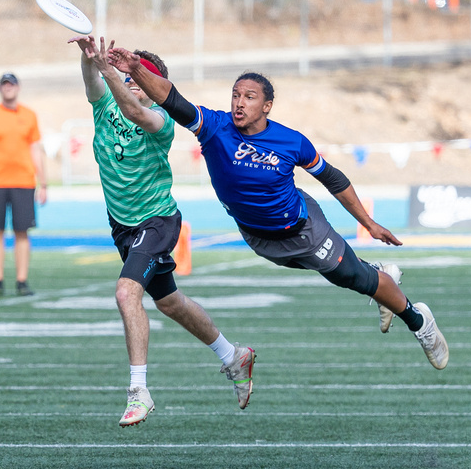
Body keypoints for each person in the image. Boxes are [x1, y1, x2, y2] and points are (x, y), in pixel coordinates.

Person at [109, 48, 449, 370]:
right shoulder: (213, 127)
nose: (239, 103)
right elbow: (172, 97)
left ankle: (420, 322)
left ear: (267, 105)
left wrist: (368, 223)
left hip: (304, 231)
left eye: (249, 97)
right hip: (259, 238)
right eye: (235, 95)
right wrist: (136, 69)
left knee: (354, 279)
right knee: (353, 275)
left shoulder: (291, 141)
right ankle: (379, 275)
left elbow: (333, 179)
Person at [68, 35, 255, 427]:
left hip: (157, 221)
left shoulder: (162, 121)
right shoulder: (105, 105)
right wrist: (91, 60)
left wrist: (109, 70)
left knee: (125, 292)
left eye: (141, 80)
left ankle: (139, 390)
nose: (133, 83)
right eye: (130, 78)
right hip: (123, 226)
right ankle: (232, 355)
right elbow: (93, 84)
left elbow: (136, 113)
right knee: (169, 302)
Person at [0, 72, 47, 297]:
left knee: (22, 232)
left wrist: (43, 183)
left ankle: (21, 281)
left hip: (23, 182)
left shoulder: (30, 116)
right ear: (0, 88)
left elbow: (36, 150)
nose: (8, 88)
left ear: (18, 87)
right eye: (5, 85)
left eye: (11, 84)